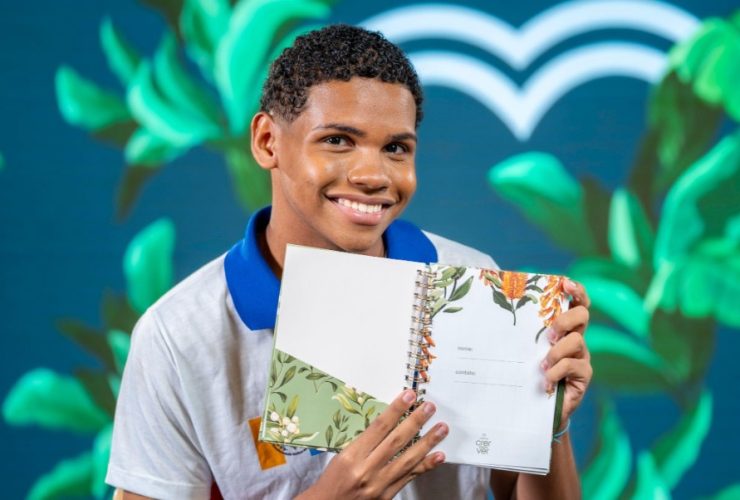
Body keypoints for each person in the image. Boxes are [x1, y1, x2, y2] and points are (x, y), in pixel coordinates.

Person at [106, 24, 592, 499]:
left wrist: (549, 425)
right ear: (268, 141)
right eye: (337, 140)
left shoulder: (477, 285)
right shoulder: (177, 335)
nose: (372, 175)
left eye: (396, 148)